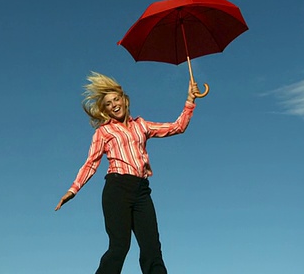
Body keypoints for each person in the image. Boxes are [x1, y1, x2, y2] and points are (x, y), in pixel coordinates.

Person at [55, 72, 200, 274]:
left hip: (142, 190)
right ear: (104, 109)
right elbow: (91, 163)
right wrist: (73, 190)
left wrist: (190, 100)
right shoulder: (103, 132)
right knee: (120, 246)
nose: (114, 104)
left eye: (116, 99)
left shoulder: (141, 125)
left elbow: (177, 127)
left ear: (125, 100)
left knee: (152, 248)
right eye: (108, 103)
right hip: (117, 189)